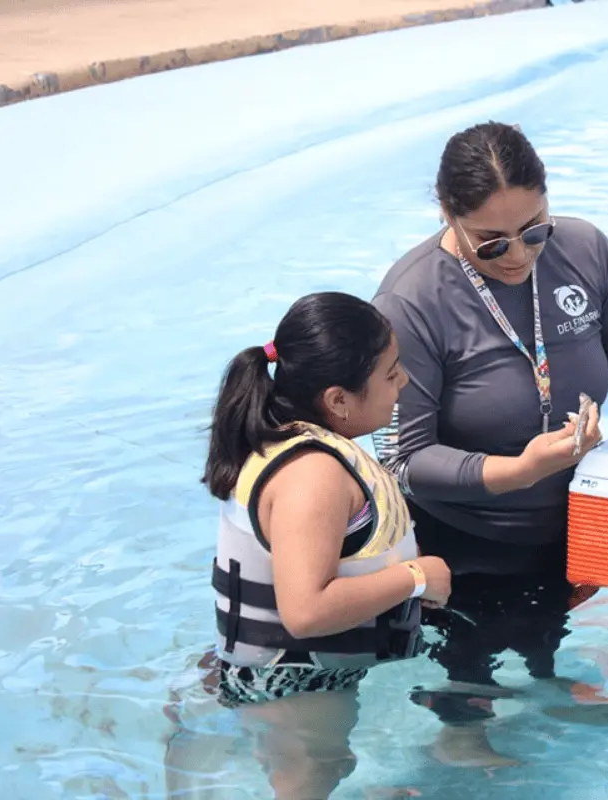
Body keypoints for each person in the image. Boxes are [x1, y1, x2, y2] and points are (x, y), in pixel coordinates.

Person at [370, 121, 608, 766]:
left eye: (534, 229)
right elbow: (404, 457)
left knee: (540, 633)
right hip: (460, 537)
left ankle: (542, 685)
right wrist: (514, 472)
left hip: (563, 524)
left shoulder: (585, 250)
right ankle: (459, 738)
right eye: (492, 242)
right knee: (467, 666)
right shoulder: (412, 299)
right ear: (448, 213)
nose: (518, 255)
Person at [177, 291, 453, 800]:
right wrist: (417, 577)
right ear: (338, 400)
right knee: (309, 781)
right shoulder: (313, 476)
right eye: (391, 374)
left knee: (332, 769)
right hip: (291, 686)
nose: (404, 382)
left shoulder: (288, 439)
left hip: (292, 674)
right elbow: (305, 612)